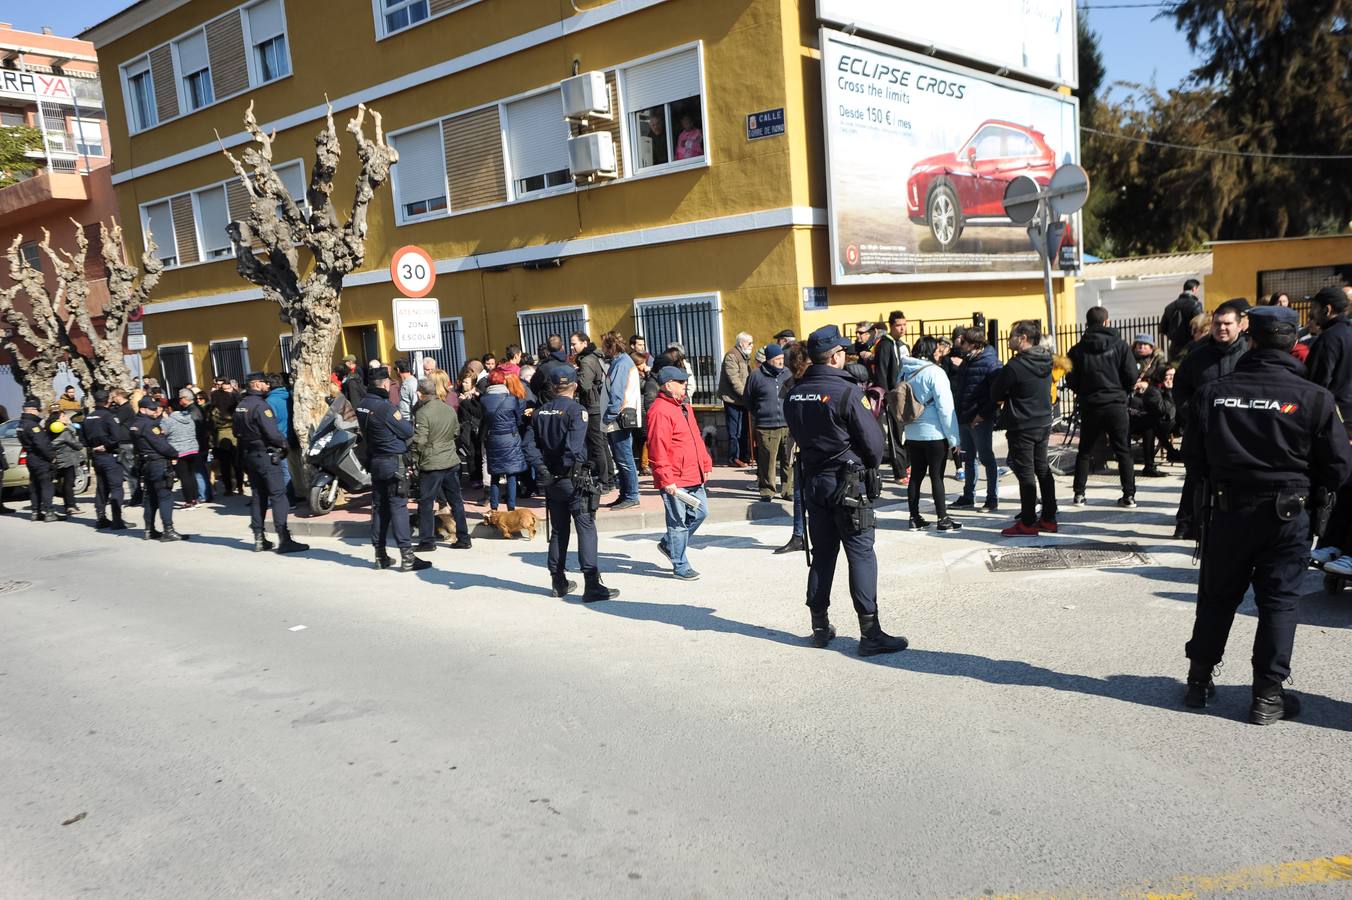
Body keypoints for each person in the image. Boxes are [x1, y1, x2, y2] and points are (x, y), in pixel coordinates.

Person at [1182, 305, 1352, 724]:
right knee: (1278, 604)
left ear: (1250, 338)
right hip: (1287, 514)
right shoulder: (1314, 398)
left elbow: (1193, 458)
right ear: (1294, 343)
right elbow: (1340, 467)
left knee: (1216, 599)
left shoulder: (1214, 392)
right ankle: (1266, 697)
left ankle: (1198, 682)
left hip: (1227, 510)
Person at [785, 325, 908, 656]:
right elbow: (874, 442)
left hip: (814, 482)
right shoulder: (846, 392)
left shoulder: (794, 392)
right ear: (836, 356)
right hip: (847, 482)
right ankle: (870, 634)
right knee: (861, 553)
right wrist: (868, 464)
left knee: (823, 554)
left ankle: (820, 627)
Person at [521, 366, 619, 601]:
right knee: (586, 527)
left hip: (551, 480)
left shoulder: (540, 412)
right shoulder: (577, 411)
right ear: (574, 386)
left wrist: (543, 469)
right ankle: (592, 584)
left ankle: (558, 581)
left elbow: (528, 446)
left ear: (553, 387)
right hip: (573, 478)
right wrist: (562, 468)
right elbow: (574, 448)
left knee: (558, 530)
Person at [1172, 302, 1250, 540]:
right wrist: (1194, 414)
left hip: (1240, 433)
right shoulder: (1197, 355)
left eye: (1228, 324)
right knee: (1195, 480)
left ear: (1239, 325)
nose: (1222, 328)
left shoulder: (1250, 355)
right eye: (1218, 323)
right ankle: (1187, 525)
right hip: (1203, 432)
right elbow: (1180, 389)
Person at [637, 365, 715, 580]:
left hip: (693, 473)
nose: (685, 385)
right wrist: (666, 479)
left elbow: (695, 438)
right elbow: (657, 447)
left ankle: (669, 544)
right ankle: (680, 565)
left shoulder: (684, 407)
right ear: (669, 385)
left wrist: (705, 463)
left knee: (701, 513)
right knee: (678, 523)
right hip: (675, 479)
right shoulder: (659, 411)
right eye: (681, 382)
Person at [356, 367, 429, 572]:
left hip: (376, 460)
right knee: (398, 507)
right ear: (386, 384)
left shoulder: (362, 405)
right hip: (393, 463)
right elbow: (406, 430)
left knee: (379, 507)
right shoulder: (385, 408)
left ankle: (380, 555)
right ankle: (407, 556)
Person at [1066, 307, 1139, 509]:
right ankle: (1129, 495)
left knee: (1084, 450)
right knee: (1123, 450)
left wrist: (1083, 391)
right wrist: (1121, 390)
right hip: (1115, 403)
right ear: (1107, 321)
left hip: (1090, 403)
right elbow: (1131, 375)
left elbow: (1070, 378)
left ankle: (1079, 494)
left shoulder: (1078, 349)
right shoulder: (1121, 345)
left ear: (1087, 323)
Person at [990, 320, 1058, 537]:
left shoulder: (1015, 366)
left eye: (1012, 335)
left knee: (1026, 473)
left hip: (1022, 424)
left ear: (1023, 338)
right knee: (1042, 469)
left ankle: (1028, 522)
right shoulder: (1047, 360)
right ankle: (1048, 518)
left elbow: (996, 393)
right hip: (1043, 421)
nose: (1009, 339)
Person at [234, 373, 309, 554]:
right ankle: (284, 538)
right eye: (264, 382)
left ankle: (259, 538)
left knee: (258, 496)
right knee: (278, 495)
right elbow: (272, 433)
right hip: (265, 455)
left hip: (250, 455)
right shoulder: (261, 406)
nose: (267, 385)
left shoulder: (241, 406)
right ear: (257, 384)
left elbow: (237, 432)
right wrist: (284, 445)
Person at [900, 337, 961, 531]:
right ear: (930, 351)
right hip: (934, 433)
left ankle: (914, 517)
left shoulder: (905, 371)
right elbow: (945, 408)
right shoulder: (935, 372)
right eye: (937, 349)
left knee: (916, 476)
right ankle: (943, 518)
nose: (939, 353)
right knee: (937, 476)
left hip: (912, 432)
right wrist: (954, 438)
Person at [412, 377, 471, 552]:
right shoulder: (448, 409)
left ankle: (427, 541)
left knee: (426, 503)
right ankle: (464, 537)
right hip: (450, 460)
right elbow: (455, 431)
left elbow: (420, 440)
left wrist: (414, 456)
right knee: (456, 501)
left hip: (432, 463)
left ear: (419, 394)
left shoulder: (422, 413)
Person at [951, 328, 1001, 512]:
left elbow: (996, 396)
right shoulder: (967, 362)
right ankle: (968, 496)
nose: (960, 345)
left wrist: (982, 415)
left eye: (963, 342)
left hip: (980, 419)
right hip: (965, 416)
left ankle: (992, 498)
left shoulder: (991, 363)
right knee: (968, 458)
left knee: (987, 458)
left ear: (974, 344)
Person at [129, 396, 187, 541]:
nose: (156, 411)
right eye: (152, 409)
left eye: (156, 408)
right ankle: (168, 530)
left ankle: (149, 529)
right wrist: (175, 453)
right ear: (143, 409)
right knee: (165, 496)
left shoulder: (135, 424)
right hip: (157, 463)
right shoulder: (149, 426)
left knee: (150, 497)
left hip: (145, 463)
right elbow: (161, 445)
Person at [773, 343, 813, 554]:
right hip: (798, 443)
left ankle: (821, 534)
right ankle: (798, 536)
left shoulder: (816, 381)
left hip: (819, 445)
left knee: (817, 493)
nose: (796, 370)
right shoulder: (790, 383)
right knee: (798, 493)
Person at [743, 343, 793, 501]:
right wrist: (759, 413)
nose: (781, 362)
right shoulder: (756, 375)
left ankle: (787, 491)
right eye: (777, 359)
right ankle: (767, 491)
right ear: (769, 359)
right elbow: (748, 399)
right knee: (767, 462)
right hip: (766, 425)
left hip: (788, 424)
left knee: (788, 460)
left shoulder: (788, 374)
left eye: (782, 358)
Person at [602, 331, 641, 510]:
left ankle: (631, 495)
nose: (602, 349)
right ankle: (625, 494)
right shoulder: (620, 362)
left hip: (618, 417)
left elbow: (617, 394)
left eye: (604, 346)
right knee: (621, 458)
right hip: (619, 416)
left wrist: (608, 416)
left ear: (611, 347)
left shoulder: (621, 364)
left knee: (624, 458)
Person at [570, 331, 614, 489]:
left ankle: (605, 481)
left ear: (584, 343)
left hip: (593, 406)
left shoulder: (587, 360)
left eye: (574, 343)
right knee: (602, 443)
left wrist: (575, 380)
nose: (572, 347)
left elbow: (586, 385)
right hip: (599, 403)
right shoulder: (597, 356)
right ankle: (609, 478)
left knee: (597, 445)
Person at [82, 390, 129, 529]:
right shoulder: (108, 416)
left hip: (97, 457)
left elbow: (83, 440)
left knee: (101, 488)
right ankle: (117, 520)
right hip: (109, 456)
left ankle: (101, 517)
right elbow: (116, 437)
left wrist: (94, 447)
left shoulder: (87, 418)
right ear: (108, 400)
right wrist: (105, 446)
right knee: (116, 487)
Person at [481, 368, 526, 513]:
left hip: (493, 438)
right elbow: (519, 420)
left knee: (495, 473)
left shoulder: (484, 400)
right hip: (510, 438)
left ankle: (494, 507)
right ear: (503, 381)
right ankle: (511, 507)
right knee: (511, 474)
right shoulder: (512, 399)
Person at [1129, 365, 1175, 478]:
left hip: (1167, 422)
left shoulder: (1170, 387)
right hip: (1140, 422)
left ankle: (1169, 454)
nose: (1170, 379)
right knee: (1151, 426)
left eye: (1173, 376)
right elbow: (1162, 410)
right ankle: (1169, 454)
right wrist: (1169, 391)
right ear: (1161, 376)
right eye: (1168, 375)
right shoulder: (1154, 390)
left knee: (1152, 425)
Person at [16, 397, 55, 522]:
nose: (38, 412)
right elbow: (42, 445)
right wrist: (52, 457)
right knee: (46, 485)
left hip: (30, 458)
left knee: (34, 485)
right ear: (32, 410)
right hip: (40, 458)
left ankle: (35, 511)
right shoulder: (33, 426)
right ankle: (49, 512)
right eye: (37, 410)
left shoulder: (21, 425)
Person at [719, 332, 754, 467]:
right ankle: (734, 458)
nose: (752, 345)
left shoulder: (744, 356)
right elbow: (734, 380)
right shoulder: (732, 356)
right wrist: (746, 395)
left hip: (742, 399)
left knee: (744, 429)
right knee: (735, 431)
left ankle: (744, 456)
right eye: (750, 343)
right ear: (741, 343)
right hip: (732, 400)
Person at [164, 390, 202, 507]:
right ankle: (196, 498)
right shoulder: (188, 417)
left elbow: (163, 433)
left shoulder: (168, 421)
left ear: (170, 408)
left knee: (184, 477)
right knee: (191, 475)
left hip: (179, 452)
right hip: (193, 449)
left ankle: (188, 501)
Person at [48, 407, 83, 517]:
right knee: (68, 483)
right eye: (63, 416)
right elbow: (76, 445)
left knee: (64, 484)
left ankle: (68, 505)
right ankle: (71, 506)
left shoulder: (51, 431)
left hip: (59, 460)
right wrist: (81, 444)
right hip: (68, 460)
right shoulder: (64, 432)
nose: (66, 417)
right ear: (58, 420)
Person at [1161, 278, 1204, 360]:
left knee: (1175, 370)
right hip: (1192, 346)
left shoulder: (1169, 306)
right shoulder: (1196, 304)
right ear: (1194, 288)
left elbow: (1163, 328)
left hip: (1174, 347)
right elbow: (1200, 325)